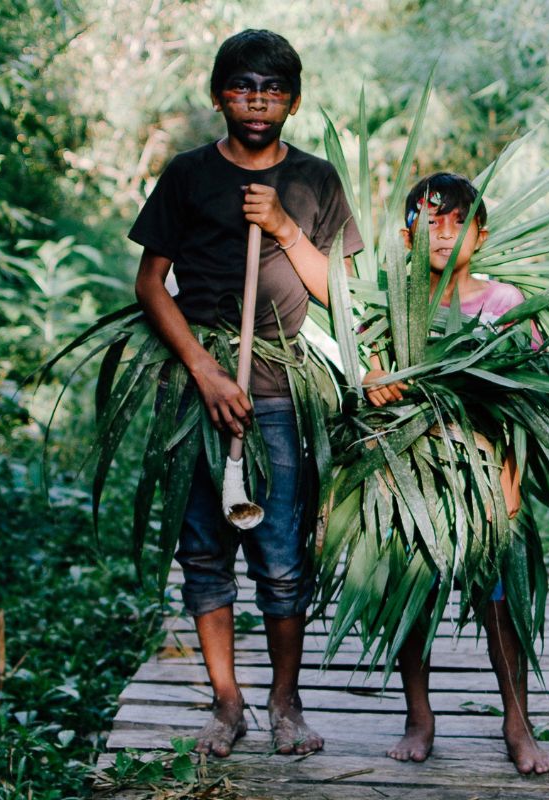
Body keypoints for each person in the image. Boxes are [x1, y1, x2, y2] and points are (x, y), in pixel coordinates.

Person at [128, 28, 361, 759]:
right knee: (203, 553)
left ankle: (285, 703)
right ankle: (227, 704)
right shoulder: (189, 175)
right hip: (197, 392)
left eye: (273, 90)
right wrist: (203, 368)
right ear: (217, 95)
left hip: (280, 394)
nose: (257, 102)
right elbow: (149, 284)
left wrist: (284, 226)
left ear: (294, 100)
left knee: (282, 558)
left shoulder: (316, 179)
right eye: (242, 88)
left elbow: (339, 295)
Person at [361, 172, 549, 775]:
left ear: (481, 234)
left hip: (488, 480)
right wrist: (372, 378)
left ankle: (517, 723)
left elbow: (530, 402)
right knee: (410, 596)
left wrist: (512, 478)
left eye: (458, 222)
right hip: (411, 479)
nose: (444, 234)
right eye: (430, 223)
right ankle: (419, 717)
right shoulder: (393, 307)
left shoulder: (504, 306)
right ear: (408, 236)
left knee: (499, 602)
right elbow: (368, 379)